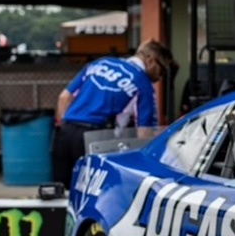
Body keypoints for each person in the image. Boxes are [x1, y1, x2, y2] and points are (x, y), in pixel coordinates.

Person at [52, 40, 175, 186]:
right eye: (162, 70)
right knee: (91, 193)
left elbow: (64, 97)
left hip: (65, 133)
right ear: (150, 61)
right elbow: (144, 134)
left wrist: (64, 124)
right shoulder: (143, 84)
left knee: (61, 190)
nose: (160, 77)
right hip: (96, 139)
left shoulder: (100, 63)